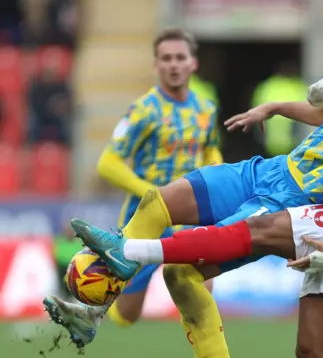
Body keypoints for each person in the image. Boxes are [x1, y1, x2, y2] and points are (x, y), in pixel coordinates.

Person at [67, 41, 323, 358]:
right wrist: (273, 108)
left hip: (293, 200)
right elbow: (317, 106)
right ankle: (95, 312)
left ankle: (128, 254)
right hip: (268, 169)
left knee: (180, 274)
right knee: (158, 201)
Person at [43, 27, 223, 346]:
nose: (173, 64)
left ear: (193, 63)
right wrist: (153, 194)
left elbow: (209, 150)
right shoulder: (144, 110)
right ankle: (88, 314)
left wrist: (218, 177)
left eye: (180, 57)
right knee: (127, 316)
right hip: (146, 220)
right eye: (166, 58)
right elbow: (108, 163)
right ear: (157, 65)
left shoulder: (205, 108)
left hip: (189, 218)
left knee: (199, 295)